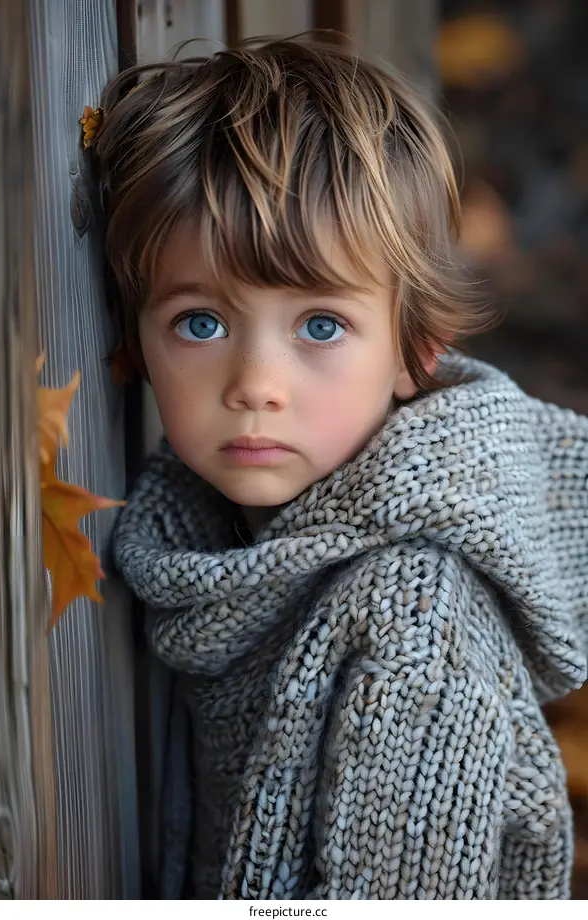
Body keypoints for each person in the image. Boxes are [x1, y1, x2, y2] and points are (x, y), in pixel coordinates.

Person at [92, 39, 588, 899]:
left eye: (320, 326)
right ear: (136, 337)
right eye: (200, 324)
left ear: (414, 352)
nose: (254, 387)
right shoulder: (216, 547)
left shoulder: (410, 623)